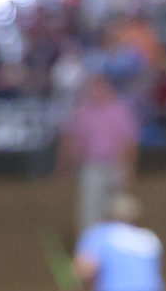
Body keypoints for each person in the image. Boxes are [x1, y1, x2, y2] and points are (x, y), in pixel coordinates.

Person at [57, 75, 140, 234]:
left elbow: (128, 143)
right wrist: (70, 168)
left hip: (115, 164)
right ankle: (91, 244)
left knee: (119, 209)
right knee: (90, 209)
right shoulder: (83, 112)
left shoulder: (119, 111)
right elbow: (75, 142)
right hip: (92, 165)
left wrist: (128, 170)